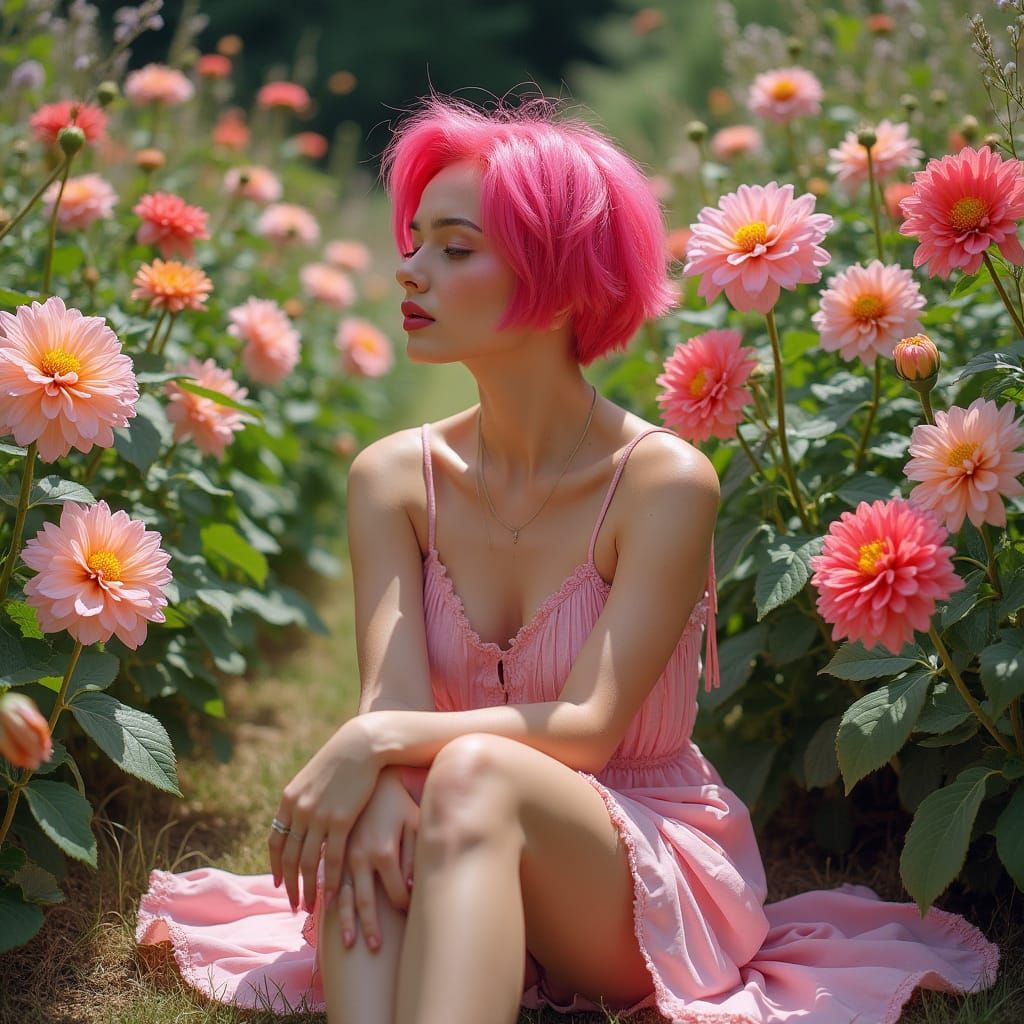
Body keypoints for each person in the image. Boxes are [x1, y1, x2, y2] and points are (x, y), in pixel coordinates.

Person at [137, 94, 998, 1024]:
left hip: (631, 861)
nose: (411, 270)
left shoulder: (664, 481)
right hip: (451, 833)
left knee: (466, 770)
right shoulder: (391, 477)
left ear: (558, 278)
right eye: (416, 240)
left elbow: (585, 728)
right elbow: (392, 701)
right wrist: (379, 769)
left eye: (455, 249)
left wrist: (378, 745)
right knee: (386, 803)